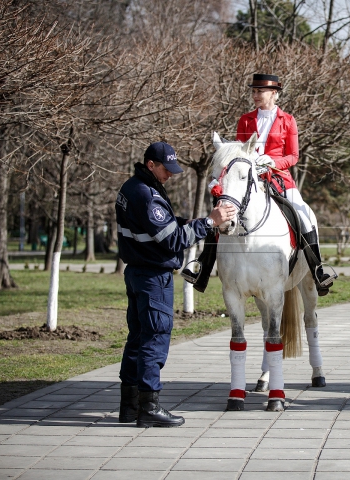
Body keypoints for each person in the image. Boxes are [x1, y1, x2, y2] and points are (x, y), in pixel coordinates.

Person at [116, 141, 236, 428]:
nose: (170, 175)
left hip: (137, 273)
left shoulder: (132, 188)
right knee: (154, 338)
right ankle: (149, 407)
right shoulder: (147, 195)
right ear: (150, 165)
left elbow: (164, 225)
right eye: (166, 169)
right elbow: (171, 239)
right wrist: (209, 222)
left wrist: (190, 221)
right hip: (152, 277)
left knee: (137, 338)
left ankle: (129, 406)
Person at [181, 73, 335, 295]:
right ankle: (202, 268)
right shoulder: (245, 119)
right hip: (248, 178)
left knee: (304, 215)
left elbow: (293, 156)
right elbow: (238, 153)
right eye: (253, 91)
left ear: (274, 93)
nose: (255, 95)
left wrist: (274, 161)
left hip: (278, 177)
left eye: (259, 91)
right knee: (221, 213)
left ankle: (318, 270)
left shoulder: (288, 120)